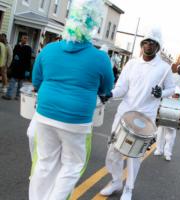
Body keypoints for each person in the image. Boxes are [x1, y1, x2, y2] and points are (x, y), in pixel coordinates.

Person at [29, 0, 114, 199]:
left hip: (45, 114)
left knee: (44, 162)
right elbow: (106, 87)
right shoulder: (100, 58)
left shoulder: (49, 49)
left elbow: (36, 80)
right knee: (72, 165)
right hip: (76, 120)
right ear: (93, 26)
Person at [99, 28, 175, 200]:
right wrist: (110, 94)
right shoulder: (131, 64)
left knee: (134, 155)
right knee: (113, 151)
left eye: (153, 43)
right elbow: (122, 88)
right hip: (124, 115)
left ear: (158, 47)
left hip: (144, 118)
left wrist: (161, 93)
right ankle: (116, 181)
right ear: (142, 45)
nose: (149, 45)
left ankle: (129, 189)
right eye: (146, 42)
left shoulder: (164, 68)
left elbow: (171, 89)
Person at [154, 87, 180, 161]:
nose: (175, 96)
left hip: (172, 124)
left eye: (177, 95)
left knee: (170, 139)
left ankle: (167, 153)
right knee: (160, 136)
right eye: (175, 94)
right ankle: (159, 150)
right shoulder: (165, 100)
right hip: (162, 121)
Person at [2, 33, 32, 100]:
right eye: (24, 38)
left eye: (26, 38)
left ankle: (18, 96)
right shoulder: (17, 46)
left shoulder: (28, 48)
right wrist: (11, 65)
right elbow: (13, 56)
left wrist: (27, 70)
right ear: (21, 38)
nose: (25, 40)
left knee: (20, 84)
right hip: (15, 67)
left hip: (23, 68)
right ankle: (9, 95)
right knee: (12, 82)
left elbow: (28, 60)